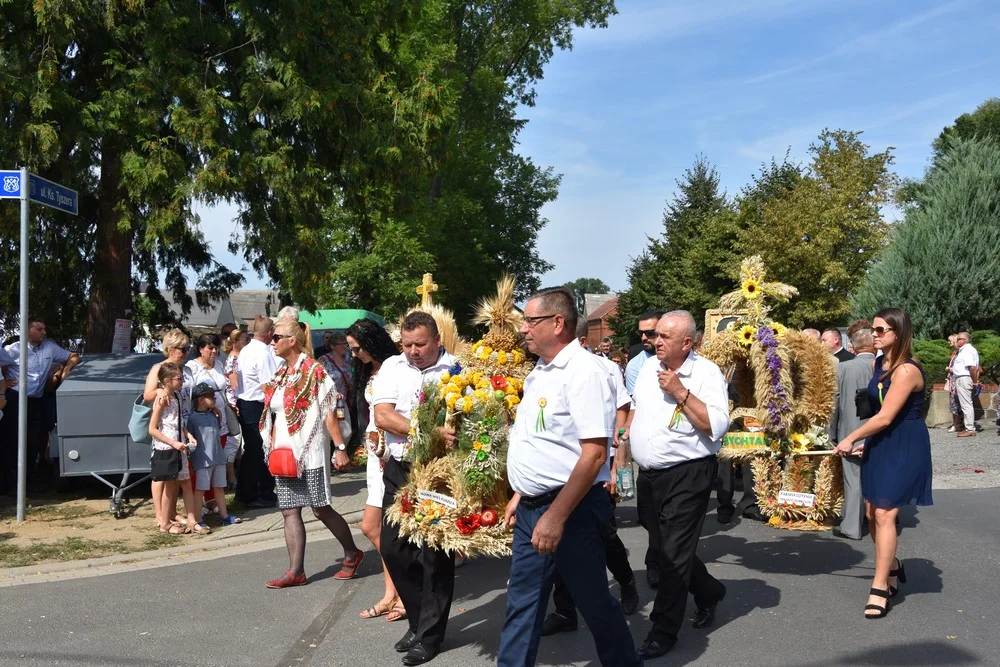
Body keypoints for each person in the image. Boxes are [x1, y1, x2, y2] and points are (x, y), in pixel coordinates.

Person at [497, 288, 640, 667]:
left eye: (530, 321)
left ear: (558, 323)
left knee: (593, 601)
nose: (523, 329)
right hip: (534, 506)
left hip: (569, 509)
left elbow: (594, 454)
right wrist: (521, 494)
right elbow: (541, 444)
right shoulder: (541, 372)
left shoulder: (585, 372)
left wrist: (555, 516)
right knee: (522, 605)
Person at [629, 310, 729, 659]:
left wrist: (680, 392)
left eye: (665, 337)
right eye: (656, 335)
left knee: (672, 553)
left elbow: (715, 425)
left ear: (687, 343)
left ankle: (663, 630)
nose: (656, 341)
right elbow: (637, 411)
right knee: (664, 546)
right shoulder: (645, 369)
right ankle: (709, 591)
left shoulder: (705, 373)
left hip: (688, 474)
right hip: (650, 476)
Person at [538, 323, 639, 638]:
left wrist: (616, 461)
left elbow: (625, 409)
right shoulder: (545, 369)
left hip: (596, 468)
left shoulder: (604, 368)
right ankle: (566, 610)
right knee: (556, 544)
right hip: (559, 472)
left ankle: (625, 582)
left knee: (605, 537)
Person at [834, 308, 932, 618]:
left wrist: (851, 438)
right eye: (874, 329)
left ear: (898, 333)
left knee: (885, 512)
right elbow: (878, 412)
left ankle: (879, 588)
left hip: (904, 445)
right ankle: (892, 566)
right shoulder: (880, 362)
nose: (874, 334)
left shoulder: (906, 370)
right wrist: (866, 440)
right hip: (881, 441)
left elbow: (888, 415)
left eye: (880, 330)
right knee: (870, 512)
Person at [373, 311, 455, 665]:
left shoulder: (457, 370)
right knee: (394, 548)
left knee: (435, 555)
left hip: (439, 472)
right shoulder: (392, 367)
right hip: (400, 466)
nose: (413, 351)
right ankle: (420, 618)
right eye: (407, 345)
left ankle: (430, 636)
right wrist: (428, 431)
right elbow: (383, 416)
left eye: (420, 344)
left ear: (437, 340)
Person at [260, 318, 364, 588]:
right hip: (285, 452)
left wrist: (340, 448)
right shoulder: (281, 374)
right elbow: (273, 413)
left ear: (291, 341)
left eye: (276, 337)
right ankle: (296, 571)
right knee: (289, 510)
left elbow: (329, 411)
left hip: (312, 451)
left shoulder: (314, 370)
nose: (272, 342)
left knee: (320, 508)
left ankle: (352, 552)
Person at [347, 318, 409, 623]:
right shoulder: (369, 370)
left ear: (371, 342)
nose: (354, 354)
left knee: (382, 528)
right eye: (350, 350)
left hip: (393, 451)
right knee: (375, 528)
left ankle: (403, 591)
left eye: (357, 348)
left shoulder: (396, 365)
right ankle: (392, 592)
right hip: (375, 452)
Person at [1, 317, 80, 494]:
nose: (44, 332)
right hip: (15, 400)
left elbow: (73, 356)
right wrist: (3, 384)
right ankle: (11, 485)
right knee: (13, 442)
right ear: (28, 330)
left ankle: (27, 482)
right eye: (39, 329)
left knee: (33, 442)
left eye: (44, 329)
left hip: (37, 400)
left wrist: (65, 369)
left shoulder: (50, 347)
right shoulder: (14, 350)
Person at [829, 328, 876, 540]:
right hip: (880, 430)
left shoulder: (844, 367)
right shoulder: (886, 366)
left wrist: (831, 433)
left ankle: (851, 527)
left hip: (851, 430)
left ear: (854, 346)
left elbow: (835, 402)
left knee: (853, 479)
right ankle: (881, 519)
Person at [148, 362, 197, 535]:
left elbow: (178, 421)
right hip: (166, 447)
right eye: (179, 378)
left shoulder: (177, 396)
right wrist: (172, 442)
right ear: (167, 380)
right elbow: (152, 429)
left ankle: (191, 519)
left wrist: (187, 434)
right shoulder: (161, 400)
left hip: (179, 445)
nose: (182, 381)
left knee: (184, 481)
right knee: (169, 484)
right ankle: (164, 523)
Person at [236, 316, 279, 508]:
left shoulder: (246, 349)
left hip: (247, 402)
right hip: (256, 404)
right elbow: (268, 385)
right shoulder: (262, 353)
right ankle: (255, 493)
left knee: (253, 450)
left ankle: (249, 491)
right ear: (269, 334)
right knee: (258, 450)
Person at [186, 334, 231, 511]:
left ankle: (213, 499)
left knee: (217, 457)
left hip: (220, 420)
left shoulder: (219, 364)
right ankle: (200, 501)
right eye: (210, 348)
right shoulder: (192, 368)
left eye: (216, 347)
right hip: (201, 422)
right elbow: (190, 395)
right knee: (202, 461)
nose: (214, 351)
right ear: (201, 349)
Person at [188, 382, 240, 530]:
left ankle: (224, 515)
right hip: (203, 460)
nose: (215, 399)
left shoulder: (213, 414)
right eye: (211, 397)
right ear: (201, 399)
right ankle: (197, 518)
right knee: (200, 490)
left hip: (218, 457)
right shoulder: (192, 418)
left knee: (219, 487)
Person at [318, 332, 355, 450]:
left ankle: (337, 455)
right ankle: (333, 457)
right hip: (329, 402)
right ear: (332, 346)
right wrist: (332, 392)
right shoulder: (324, 360)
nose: (344, 347)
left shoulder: (349, 359)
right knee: (329, 432)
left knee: (345, 430)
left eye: (346, 344)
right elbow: (317, 381)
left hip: (343, 403)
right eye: (341, 344)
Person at [223, 328, 249, 488]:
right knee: (235, 440)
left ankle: (242, 475)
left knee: (244, 442)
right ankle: (231, 475)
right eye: (244, 340)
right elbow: (235, 385)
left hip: (242, 401)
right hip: (235, 403)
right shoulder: (233, 359)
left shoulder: (243, 357)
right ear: (235, 342)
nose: (247, 343)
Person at [624, 310, 664, 395]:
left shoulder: (681, 357)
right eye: (640, 333)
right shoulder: (635, 366)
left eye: (650, 333)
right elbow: (635, 404)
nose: (643, 337)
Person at [952, 331, 980, 437]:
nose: (956, 340)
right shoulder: (964, 350)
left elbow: (972, 367)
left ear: (964, 340)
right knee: (966, 404)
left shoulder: (967, 350)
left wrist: (974, 381)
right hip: (962, 378)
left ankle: (970, 429)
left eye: (958, 339)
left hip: (964, 378)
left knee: (966, 404)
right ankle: (968, 427)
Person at [944, 334, 962, 433]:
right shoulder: (955, 353)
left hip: (957, 380)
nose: (949, 343)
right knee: (954, 403)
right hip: (953, 380)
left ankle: (957, 424)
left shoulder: (960, 352)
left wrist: (951, 369)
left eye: (950, 340)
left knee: (957, 402)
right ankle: (956, 423)